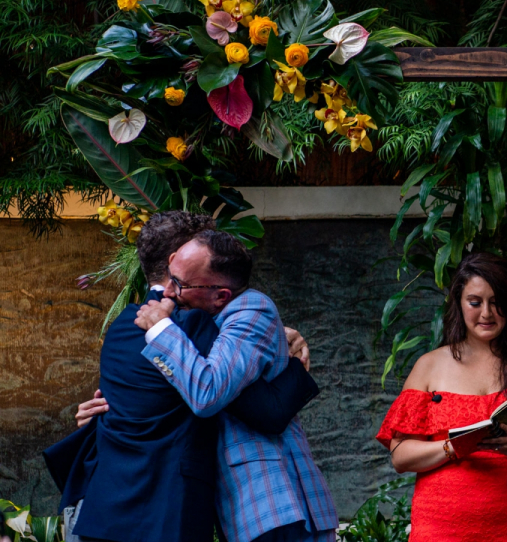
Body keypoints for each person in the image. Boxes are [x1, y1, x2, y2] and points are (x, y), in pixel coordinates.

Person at [43, 211, 319, 542]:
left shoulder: (119, 328)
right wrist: (289, 365)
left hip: (103, 512)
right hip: (167, 517)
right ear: (178, 258)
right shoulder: (191, 328)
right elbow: (266, 410)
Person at [133, 230, 338, 542]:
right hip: (242, 507)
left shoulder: (250, 308)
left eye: (182, 284)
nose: (169, 292)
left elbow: (208, 392)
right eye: (169, 277)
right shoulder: (203, 319)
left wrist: (159, 328)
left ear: (221, 295)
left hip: (273, 500)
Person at [375, 252, 507, 542]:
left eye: (497, 302)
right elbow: (400, 455)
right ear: (459, 303)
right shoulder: (429, 365)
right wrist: (453, 447)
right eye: (475, 302)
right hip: (442, 527)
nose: (487, 313)